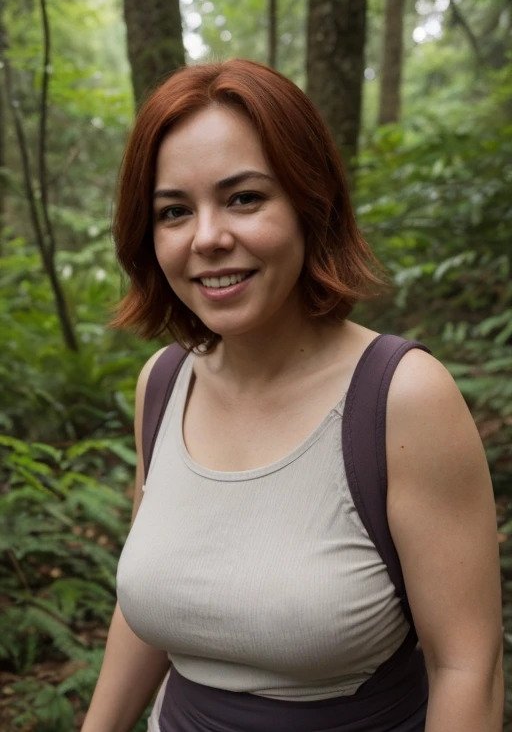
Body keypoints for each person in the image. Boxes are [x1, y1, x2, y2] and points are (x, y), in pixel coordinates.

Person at [81, 59, 503, 732]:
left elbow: (466, 667)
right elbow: (153, 606)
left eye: (244, 198)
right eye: (174, 211)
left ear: (312, 203)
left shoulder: (402, 398)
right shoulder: (162, 383)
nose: (208, 237)